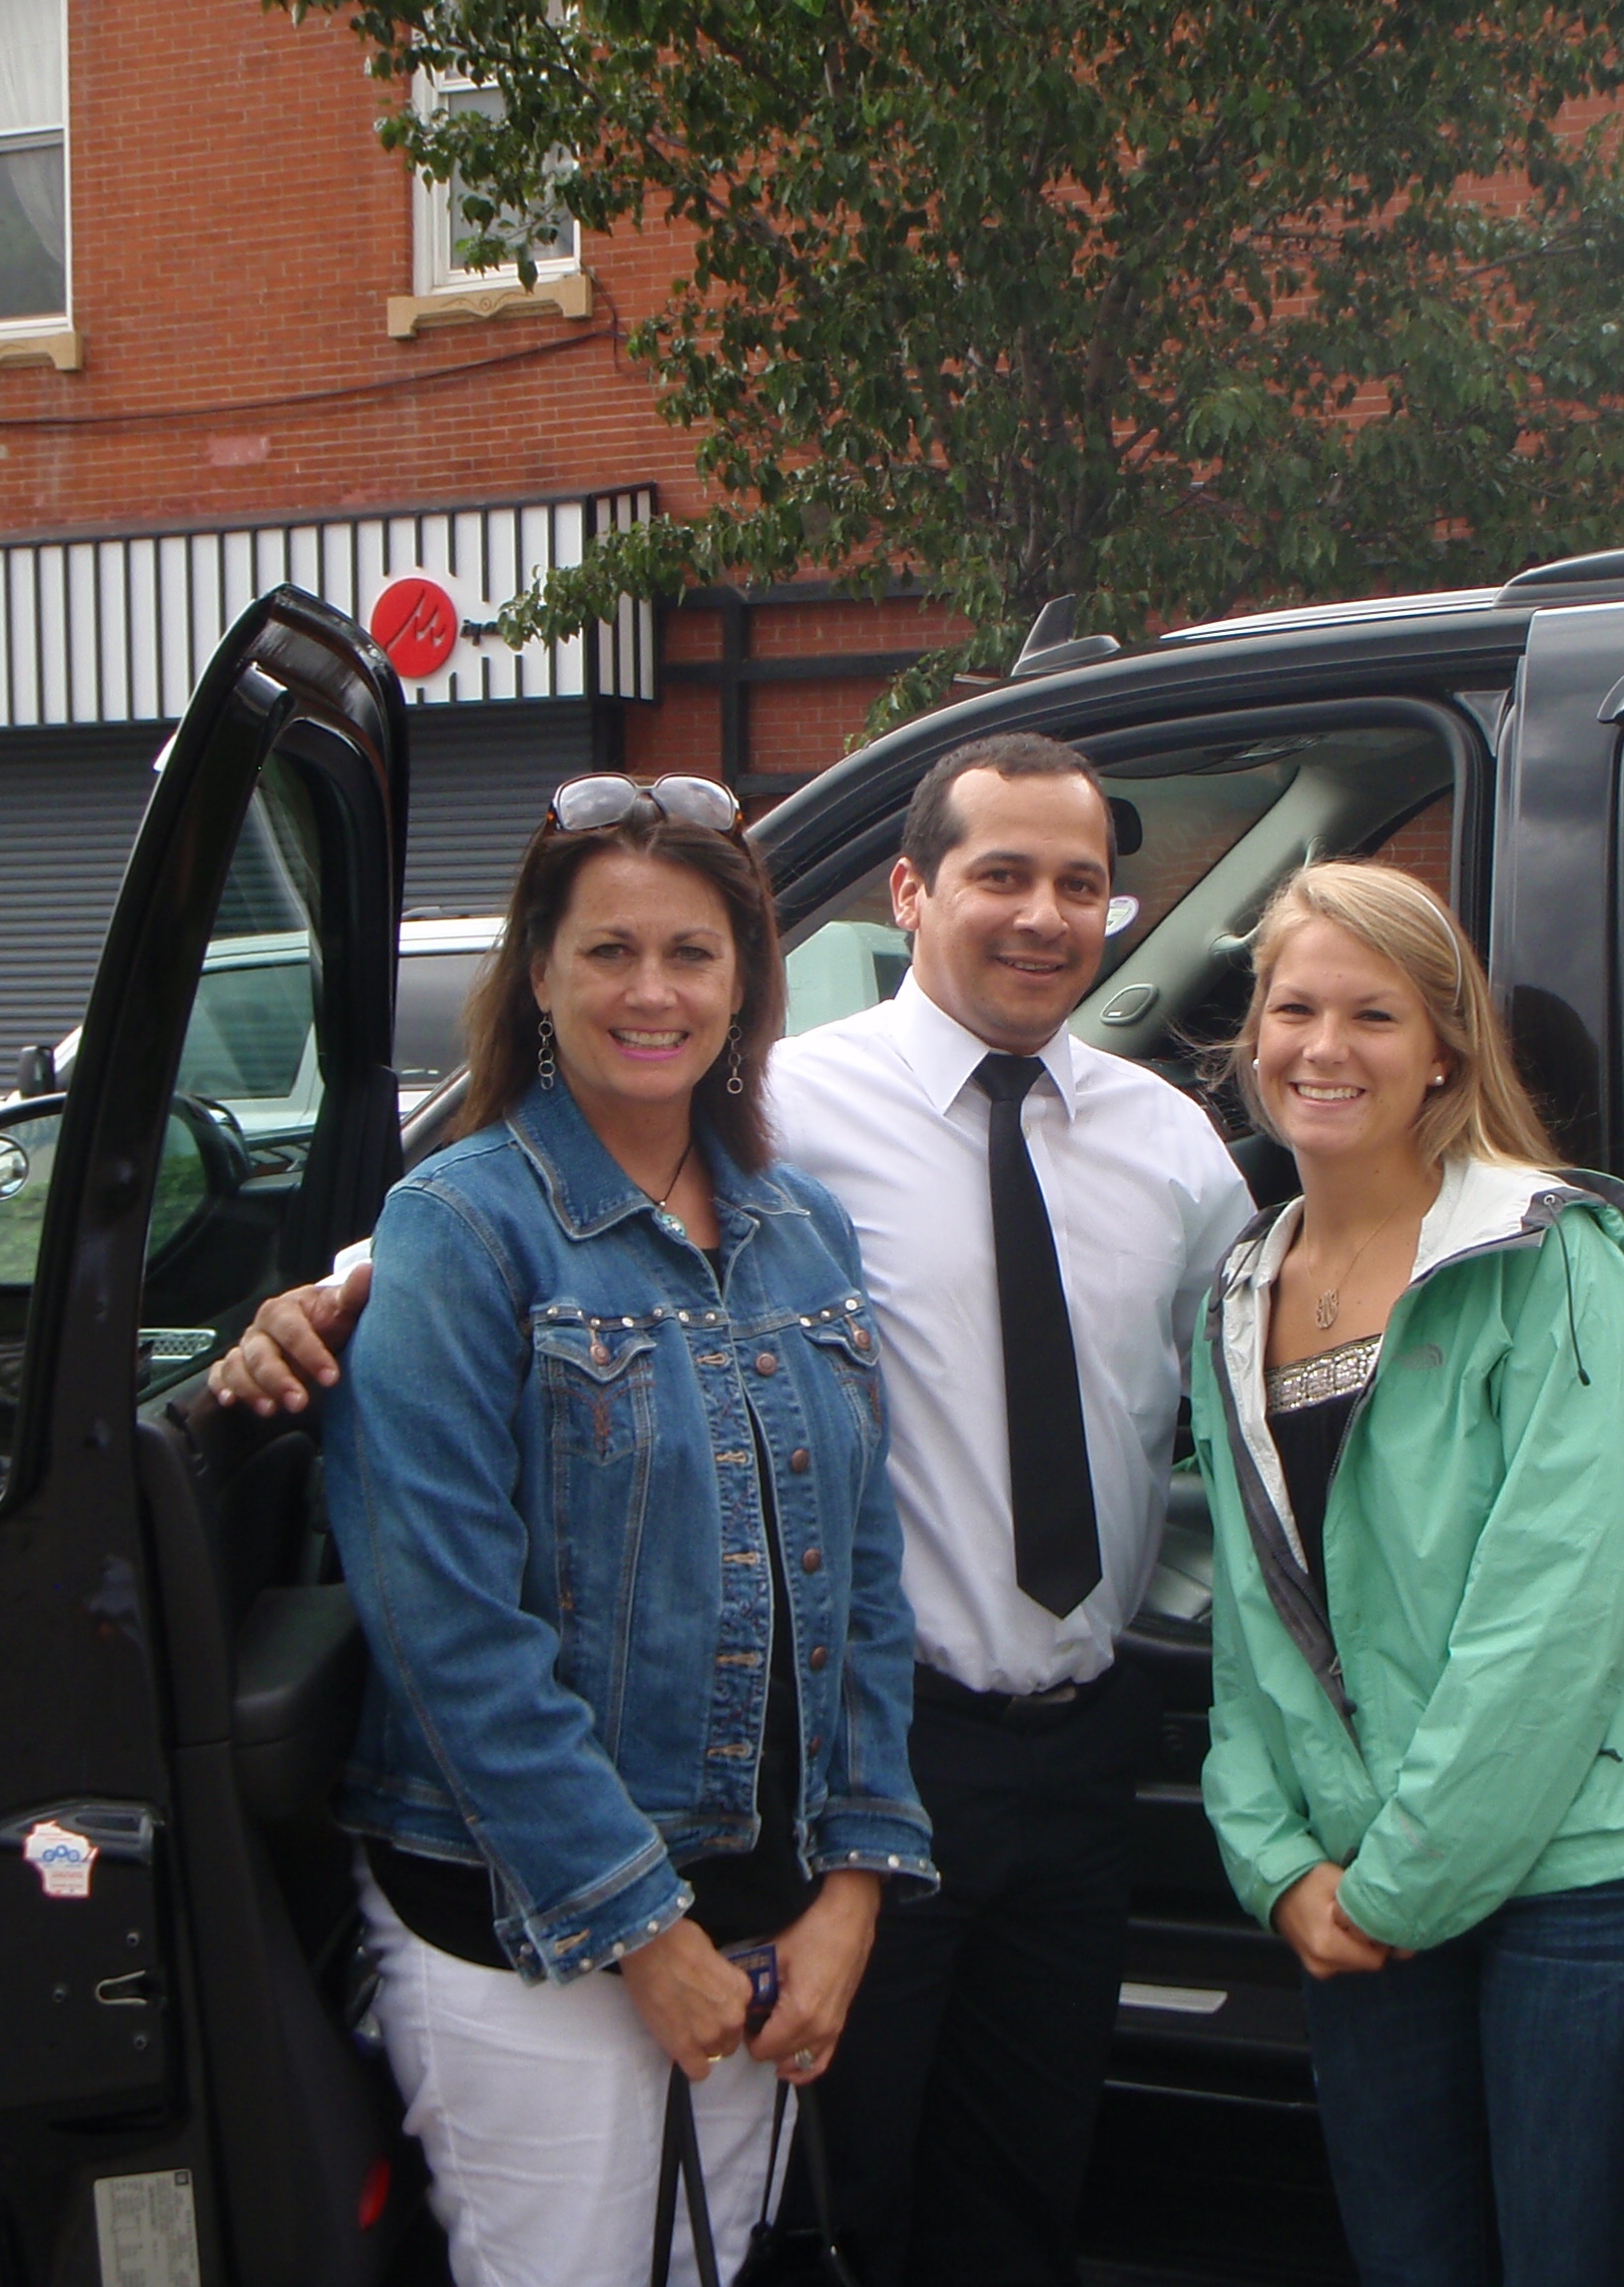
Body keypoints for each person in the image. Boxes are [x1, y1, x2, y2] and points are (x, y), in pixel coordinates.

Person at [217, 733, 1253, 2287]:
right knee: (822, 2215)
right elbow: (451, 1579)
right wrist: (316, 1298)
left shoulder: (838, 1202)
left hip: (930, 1799)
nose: (1043, 913)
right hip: (701, 1827)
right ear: (909, 893)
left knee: (985, 2204)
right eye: (1001, 873)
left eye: (1079, 883)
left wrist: (847, 1888)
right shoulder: (786, 1113)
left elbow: (874, 1555)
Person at [316, 772, 934, 2287]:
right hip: (531, 1924)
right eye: (608, 951)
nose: (652, 992)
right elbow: (447, 1628)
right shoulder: (461, 1225)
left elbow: (864, 1578)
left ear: (744, 984)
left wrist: (852, 1890)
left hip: (769, 1912)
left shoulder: (802, 1227)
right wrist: (638, 1931)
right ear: (538, 973)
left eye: (691, 954)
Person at [1194, 860, 1624, 2287]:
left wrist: (1395, 1889)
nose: (1325, 1048)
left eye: (1374, 1016)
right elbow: (1253, 1622)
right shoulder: (1239, 1289)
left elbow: (1557, 1609)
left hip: (1585, 1883)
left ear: (1445, 1047)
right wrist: (1275, 1864)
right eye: (1295, 1009)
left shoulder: (1549, 1255)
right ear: (1253, 1033)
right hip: (1362, 1891)